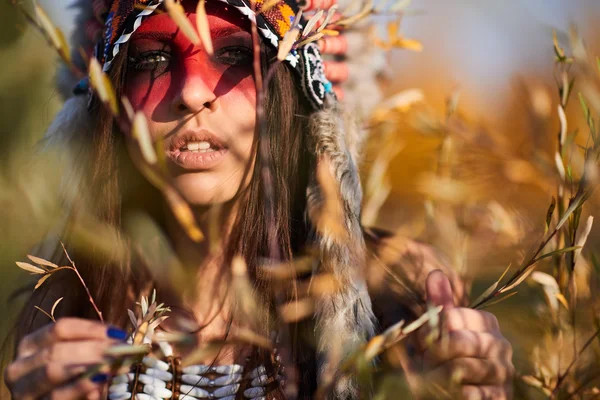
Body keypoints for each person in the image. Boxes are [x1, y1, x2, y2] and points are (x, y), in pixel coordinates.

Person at [3, 0, 514, 398]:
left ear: (298, 94)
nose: (193, 93)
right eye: (153, 57)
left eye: (234, 55)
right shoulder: (63, 307)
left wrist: (467, 383)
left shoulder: (394, 305)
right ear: (109, 105)